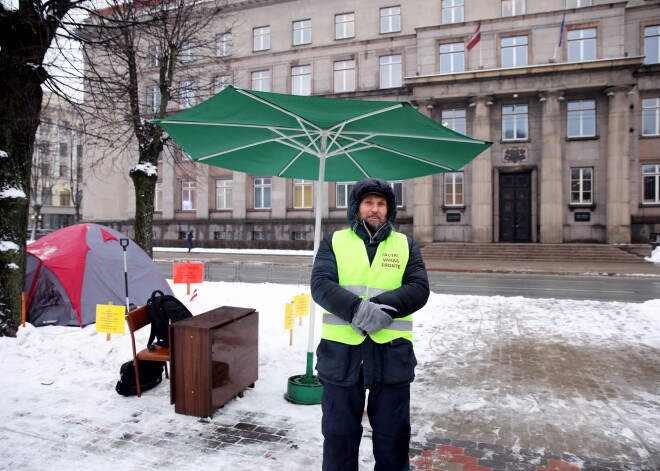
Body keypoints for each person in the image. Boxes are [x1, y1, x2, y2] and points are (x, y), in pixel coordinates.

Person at [311, 177, 430, 471]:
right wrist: (358, 310)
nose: (375, 209)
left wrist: (376, 310)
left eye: (381, 204)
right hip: (341, 357)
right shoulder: (334, 242)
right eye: (368, 203)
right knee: (339, 437)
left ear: (389, 210)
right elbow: (321, 284)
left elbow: (418, 288)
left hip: (391, 356)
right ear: (357, 207)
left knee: (393, 438)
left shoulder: (406, 245)